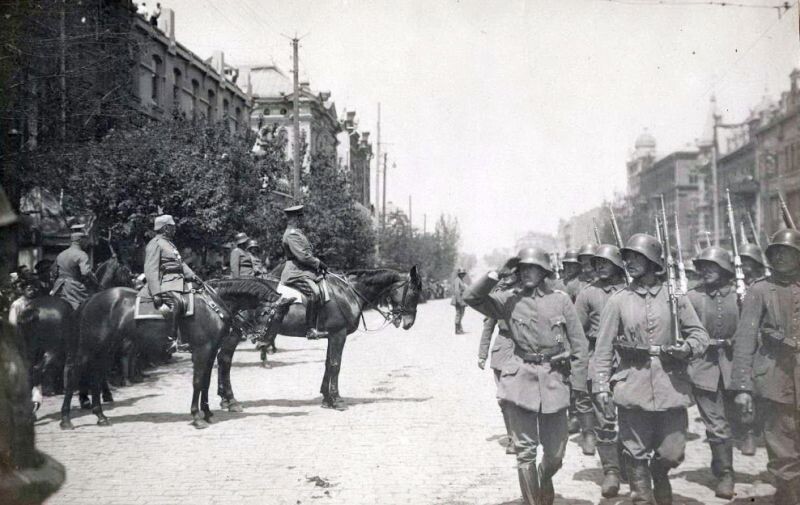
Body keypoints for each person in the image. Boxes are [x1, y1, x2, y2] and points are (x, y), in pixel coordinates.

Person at [465, 248, 589, 505]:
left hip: (555, 379)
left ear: (544, 271)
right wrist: (497, 272)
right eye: (522, 268)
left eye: (532, 268)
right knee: (525, 452)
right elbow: (471, 297)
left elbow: (579, 345)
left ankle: (544, 476)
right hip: (520, 378)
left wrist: (578, 387)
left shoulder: (561, 300)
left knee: (555, 453)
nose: (526, 273)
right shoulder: (508, 299)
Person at [593, 233, 709, 505]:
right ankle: (641, 496)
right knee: (635, 450)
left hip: (671, 383)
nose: (630, 262)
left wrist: (687, 348)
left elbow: (699, 336)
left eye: (637, 257)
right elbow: (603, 348)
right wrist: (600, 386)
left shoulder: (675, 297)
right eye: (628, 257)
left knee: (672, 451)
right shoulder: (618, 300)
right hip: (632, 382)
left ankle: (659, 472)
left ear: (652, 261)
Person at [731, 228, 800, 504]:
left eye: (789, 252)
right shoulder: (759, 290)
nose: (782, 257)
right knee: (783, 454)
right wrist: (742, 387)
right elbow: (744, 341)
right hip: (774, 381)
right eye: (777, 252)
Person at [685, 246, 739, 499]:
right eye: (702, 266)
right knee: (716, 423)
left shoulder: (739, 295)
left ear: (725, 268)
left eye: (711, 266)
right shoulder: (692, 297)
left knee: (735, 421)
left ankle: (720, 462)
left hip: (735, 365)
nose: (705, 270)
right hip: (703, 367)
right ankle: (726, 474)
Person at [574, 244, 627, 497]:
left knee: (631, 414)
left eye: (606, 262)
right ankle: (611, 471)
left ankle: (630, 461)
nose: (601, 267)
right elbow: (577, 332)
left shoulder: (631, 291)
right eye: (597, 263)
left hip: (629, 357)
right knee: (605, 416)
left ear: (618, 264)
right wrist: (580, 364)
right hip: (598, 356)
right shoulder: (587, 294)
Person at [477, 275, 518, 456]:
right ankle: (513, 438)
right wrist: (482, 355)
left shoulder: (531, 295)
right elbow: (488, 328)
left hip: (527, 349)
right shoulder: (497, 298)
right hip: (503, 350)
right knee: (505, 399)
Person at [144, 214, 196, 347]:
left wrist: (193, 276)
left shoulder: (169, 244)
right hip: (165, 282)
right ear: (166, 228)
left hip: (178, 281)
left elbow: (180, 263)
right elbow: (151, 269)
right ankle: (170, 339)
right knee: (176, 303)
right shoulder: (155, 243)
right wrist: (156, 293)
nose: (175, 230)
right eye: (173, 227)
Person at [280, 204, 328, 340]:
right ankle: (310, 329)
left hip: (303, 270)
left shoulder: (298, 232)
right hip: (295, 272)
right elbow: (302, 256)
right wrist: (318, 263)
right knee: (315, 292)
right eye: (300, 217)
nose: (303, 220)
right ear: (295, 219)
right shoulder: (291, 235)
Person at [50, 232, 96, 310]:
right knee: (90, 306)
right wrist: (94, 278)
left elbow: (53, 272)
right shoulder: (82, 254)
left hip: (58, 287)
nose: (87, 243)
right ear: (80, 240)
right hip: (74, 288)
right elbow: (85, 272)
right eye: (85, 240)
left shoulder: (61, 254)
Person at [452, 268, 468, 334]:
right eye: (461, 274)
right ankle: (457, 330)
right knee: (459, 314)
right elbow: (456, 291)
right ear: (459, 274)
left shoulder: (461, 280)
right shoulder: (457, 280)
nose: (462, 275)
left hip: (462, 299)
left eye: (463, 274)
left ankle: (460, 328)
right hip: (458, 299)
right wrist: (459, 300)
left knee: (461, 314)